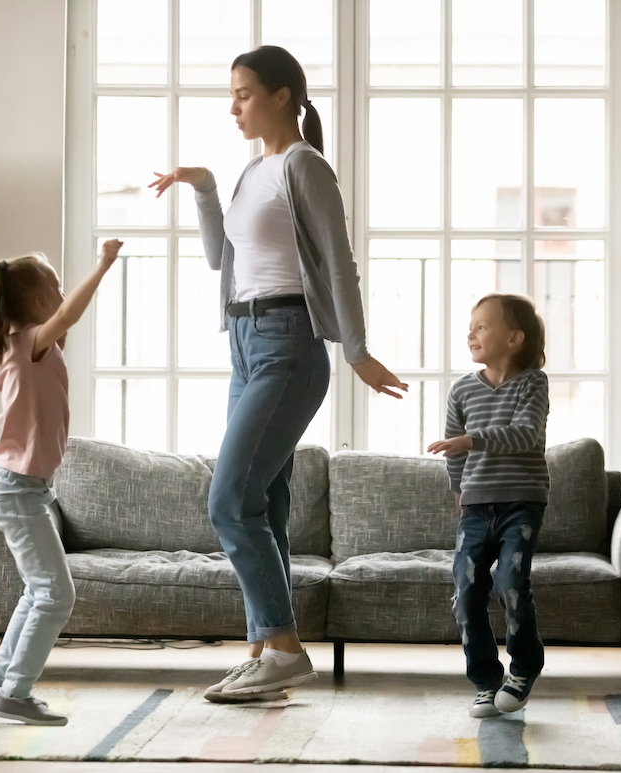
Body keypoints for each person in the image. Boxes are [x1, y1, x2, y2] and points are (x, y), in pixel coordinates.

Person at [149, 45, 407, 703]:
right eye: (231, 94)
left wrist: (356, 348)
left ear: (284, 95)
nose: (233, 105)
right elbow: (219, 258)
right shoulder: (249, 173)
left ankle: (284, 649)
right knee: (267, 501)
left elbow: (341, 262)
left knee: (229, 500)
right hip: (244, 341)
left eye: (243, 92)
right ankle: (265, 648)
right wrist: (205, 188)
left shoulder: (304, 166)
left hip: (289, 343)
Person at [0, 240, 123, 725]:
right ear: (39, 304)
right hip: (17, 489)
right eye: (56, 287)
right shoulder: (29, 344)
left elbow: (64, 324)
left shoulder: (36, 346)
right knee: (57, 595)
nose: (62, 295)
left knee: (38, 591)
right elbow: (69, 316)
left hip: (25, 488)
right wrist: (102, 265)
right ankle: (15, 693)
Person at [428, 293, 550, 718]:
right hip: (476, 507)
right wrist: (459, 493)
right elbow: (453, 452)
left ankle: (524, 666)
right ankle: (485, 680)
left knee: (511, 582)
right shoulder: (462, 389)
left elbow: (526, 435)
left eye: (482, 326)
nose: (471, 333)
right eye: (471, 325)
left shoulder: (534, 383)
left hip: (522, 502)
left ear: (514, 337)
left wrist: (475, 440)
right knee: (465, 591)